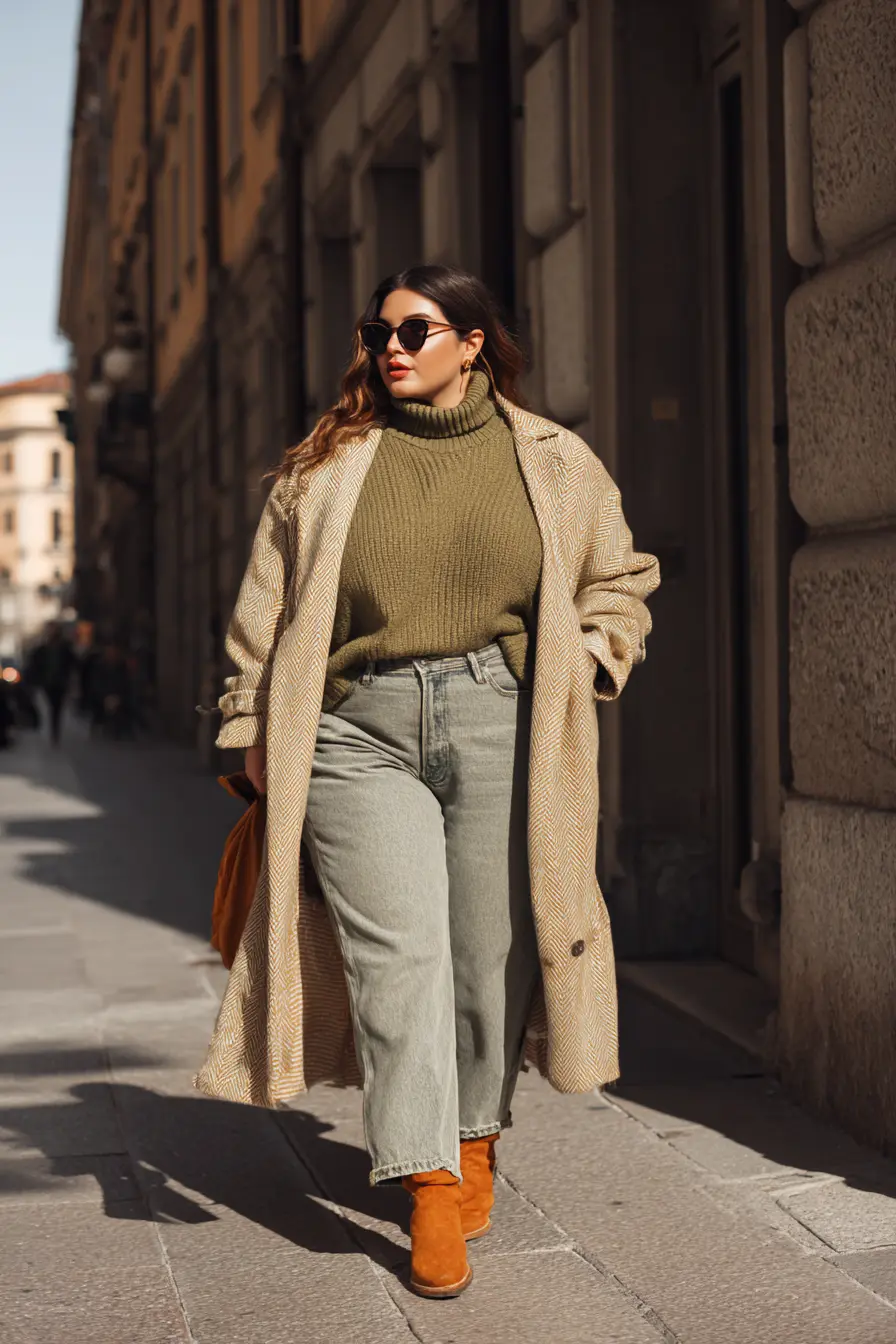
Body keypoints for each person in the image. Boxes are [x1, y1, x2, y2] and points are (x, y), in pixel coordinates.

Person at [196, 265, 660, 1297]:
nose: (390, 346)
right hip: (355, 735)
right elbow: (264, 615)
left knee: (488, 949)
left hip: (505, 717)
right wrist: (248, 722)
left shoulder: (551, 460)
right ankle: (426, 1177)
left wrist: (590, 656)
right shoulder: (325, 471)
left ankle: (475, 1131)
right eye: (378, 330)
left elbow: (618, 578)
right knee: (396, 957)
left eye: (414, 328)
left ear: (474, 343)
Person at [26, 624, 78, 746]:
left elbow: (73, 663)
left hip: (60, 682)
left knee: (57, 708)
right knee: (52, 706)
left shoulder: (64, 649)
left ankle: (55, 732)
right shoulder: (43, 650)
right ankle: (53, 730)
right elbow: (34, 665)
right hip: (48, 683)